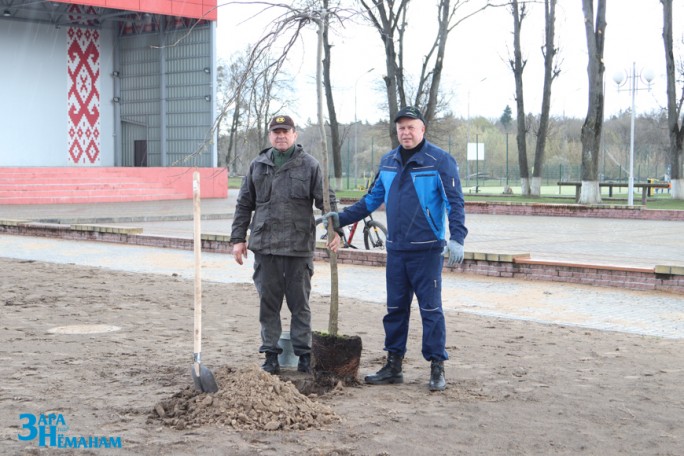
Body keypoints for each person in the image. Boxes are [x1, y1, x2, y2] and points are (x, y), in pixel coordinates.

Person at [323, 106, 467, 391]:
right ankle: (394, 365)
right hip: (397, 250)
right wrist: (340, 218)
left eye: (411, 127)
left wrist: (457, 237)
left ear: (422, 129)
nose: (406, 132)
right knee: (395, 309)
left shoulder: (439, 161)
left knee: (431, 309)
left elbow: (455, 202)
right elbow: (371, 200)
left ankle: (437, 367)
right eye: (401, 127)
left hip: (427, 251)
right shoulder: (388, 161)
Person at [230, 114, 336, 375]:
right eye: (276, 132)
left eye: (285, 131)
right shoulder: (258, 165)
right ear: (270, 136)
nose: (280, 135)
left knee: (300, 304)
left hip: (298, 247)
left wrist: (336, 230)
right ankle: (270, 355)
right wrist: (237, 239)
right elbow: (244, 203)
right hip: (265, 246)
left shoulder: (310, 165)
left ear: (294, 135)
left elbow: (327, 201)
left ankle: (303, 354)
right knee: (269, 304)